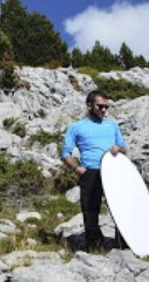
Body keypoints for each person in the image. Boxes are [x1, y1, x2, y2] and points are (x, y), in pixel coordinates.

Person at [61, 90, 127, 250]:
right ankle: (95, 245)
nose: (104, 110)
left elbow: (124, 148)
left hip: (113, 171)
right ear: (90, 106)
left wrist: (118, 149)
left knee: (120, 208)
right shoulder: (76, 127)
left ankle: (123, 243)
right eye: (100, 106)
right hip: (90, 172)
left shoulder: (112, 125)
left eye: (106, 107)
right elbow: (65, 154)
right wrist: (78, 169)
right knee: (90, 210)